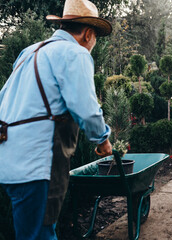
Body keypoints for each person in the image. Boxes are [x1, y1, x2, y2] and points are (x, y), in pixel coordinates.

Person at [0, 0, 113, 239]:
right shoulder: (75, 53)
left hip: (9, 162)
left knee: (31, 232)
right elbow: (86, 108)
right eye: (95, 38)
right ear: (88, 34)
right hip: (38, 162)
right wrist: (102, 140)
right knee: (40, 234)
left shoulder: (29, 52)